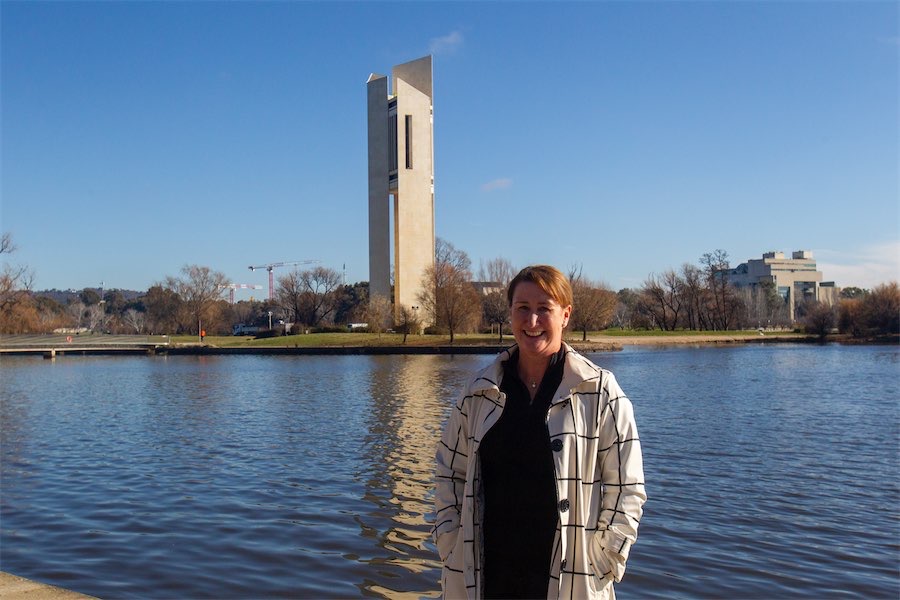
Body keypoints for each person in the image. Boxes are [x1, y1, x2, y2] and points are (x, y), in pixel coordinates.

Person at [433, 265, 646, 599]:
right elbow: (449, 473)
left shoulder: (599, 391)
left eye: (544, 309)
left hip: (569, 579)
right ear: (510, 313)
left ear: (565, 315)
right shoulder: (477, 392)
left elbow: (626, 489)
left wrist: (604, 560)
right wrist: (450, 544)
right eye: (523, 309)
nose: (532, 322)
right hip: (486, 577)